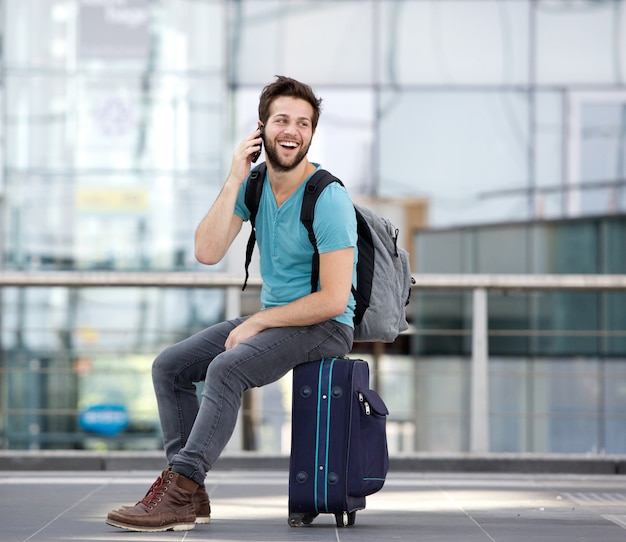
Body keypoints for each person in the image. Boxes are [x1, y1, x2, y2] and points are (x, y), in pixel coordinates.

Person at [106, 76, 357, 532]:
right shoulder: (256, 183)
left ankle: (180, 487)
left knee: (227, 368)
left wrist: (258, 321)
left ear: (312, 134)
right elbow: (206, 251)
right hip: (278, 318)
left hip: (325, 324)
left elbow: (334, 298)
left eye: (303, 123)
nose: (293, 131)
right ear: (261, 128)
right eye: (282, 119)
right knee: (170, 366)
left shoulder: (329, 197)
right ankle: (190, 495)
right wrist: (235, 177)